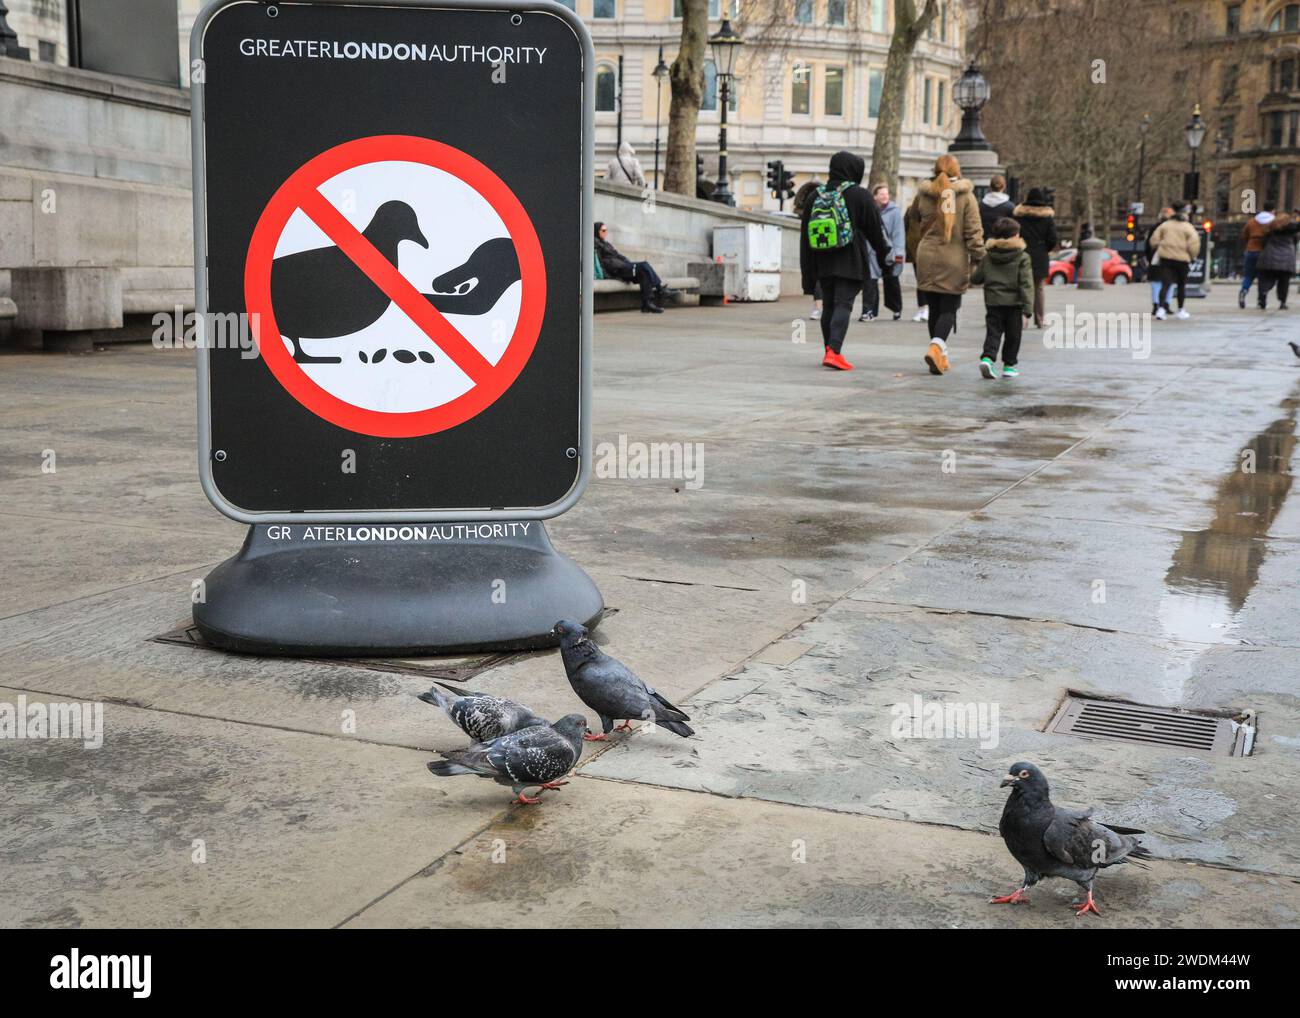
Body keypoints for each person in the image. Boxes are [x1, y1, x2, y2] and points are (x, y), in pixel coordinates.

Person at [798, 151, 891, 371]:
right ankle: (834, 351)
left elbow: (804, 237)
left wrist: (807, 273)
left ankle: (829, 350)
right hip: (850, 261)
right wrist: (884, 255)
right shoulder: (860, 195)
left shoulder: (815, 196)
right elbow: (875, 231)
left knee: (828, 305)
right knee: (844, 304)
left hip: (822, 261)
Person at [905, 154, 986, 375]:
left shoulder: (922, 195)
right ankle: (936, 346)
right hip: (954, 257)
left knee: (934, 309)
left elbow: (912, 221)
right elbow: (973, 232)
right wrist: (981, 257)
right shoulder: (966, 197)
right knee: (949, 308)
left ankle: (941, 355)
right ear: (956, 171)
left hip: (927, 255)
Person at [971, 217, 1033, 380]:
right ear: (1015, 236)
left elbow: (976, 278)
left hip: (992, 301)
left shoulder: (988, 256)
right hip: (1015, 303)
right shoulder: (1022, 257)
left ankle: (987, 358)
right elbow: (1026, 284)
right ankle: (1009, 365)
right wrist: (1027, 310)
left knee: (994, 332)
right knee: (1013, 335)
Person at [594, 222, 676, 313]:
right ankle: (660, 289)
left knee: (643, 274)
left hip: (623, 266)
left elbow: (618, 255)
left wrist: (629, 264)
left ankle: (647, 304)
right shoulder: (596, 245)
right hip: (616, 270)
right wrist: (608, 276)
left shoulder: (606, 244)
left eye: (606, 230)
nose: (606, 232)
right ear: (597, 231)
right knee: (644, 265)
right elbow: (599, 263)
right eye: (603, 230)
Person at [1013, 188, 1058, 328]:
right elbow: (1053, 238)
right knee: (1038, 287)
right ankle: (1040, 319)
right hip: (1040, 253)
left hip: (1022, 252)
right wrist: (1045, 249)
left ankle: (1022, 319)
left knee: (1022, 286)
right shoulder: (1047, 217)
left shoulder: (1019, 216)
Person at [862, 183, 906, 321]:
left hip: (889, 252)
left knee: (891, 280)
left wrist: (899, 254)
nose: (885, 196)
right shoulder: (869, 210)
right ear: (875, 196)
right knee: (870, 282)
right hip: (872, 252)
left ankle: (896, 308)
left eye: (886, 194)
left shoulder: (895, 212)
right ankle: (869, 311)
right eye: (882, 194)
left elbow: (899, 234)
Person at [1149, 203, 1201, 319]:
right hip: (1182, 259)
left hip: (1166, 258)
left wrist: (1160, 247)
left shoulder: (1165, 226)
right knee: (1181, 285)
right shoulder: (1188, 227)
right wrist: (1192, 256)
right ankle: (1181, 309)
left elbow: (1154, 240)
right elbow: (1194, 244)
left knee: (1165, 284)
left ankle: (1161, 310)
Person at [792, 180, 824, 321]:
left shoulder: (807, 208)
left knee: (819, 277)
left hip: (814, 244)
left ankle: (818, 308)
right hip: (825, 243)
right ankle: (819, 307)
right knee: (821, 277)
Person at [1256, 213, 1300, 310]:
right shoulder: (1292, 231)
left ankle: (1263, 294)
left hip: (1269, 256)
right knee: (1284, 282)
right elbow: (1295, 241)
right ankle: (1282, 302)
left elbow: (1263, 241)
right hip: (1286, 258)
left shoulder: (1270, 229)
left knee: (1266, 279)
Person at [1240, 205, 1276, 308]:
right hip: (1265, 252)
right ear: (1272, 211)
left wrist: (1249, 243)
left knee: (1248, 275)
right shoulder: (1273, 223)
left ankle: (1243, 291)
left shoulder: (1252, 222)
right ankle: (1261, 299)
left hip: (1251, 250)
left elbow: (1244, 235)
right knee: (1263, 277)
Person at [1144, 206, 1174, 314]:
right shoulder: (1173, 228)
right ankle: (1166, 304)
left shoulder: (1154, 228)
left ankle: (1156, 304)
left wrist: (1149, 257)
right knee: (1169, 282)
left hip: (1155, 257)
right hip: (1170, 257)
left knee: (1156, 282)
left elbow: (1148, 244)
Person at [979, 175, 1016, 239]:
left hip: (984, 241)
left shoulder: (980, 205)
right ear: (1004, 186)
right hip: (1003, 242)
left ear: (990, 187)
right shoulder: (1010, 206)